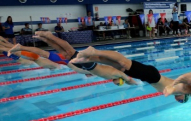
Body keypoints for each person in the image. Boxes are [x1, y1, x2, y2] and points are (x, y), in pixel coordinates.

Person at [8, 31, 136, 85]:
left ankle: (45, 37)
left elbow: (95, 72)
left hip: (80, 65)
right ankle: (46, 37)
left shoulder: (111, 73)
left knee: (62, 51)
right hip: (81, 64)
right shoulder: (117, 74)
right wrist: (135, 83)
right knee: (66, 50)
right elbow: (129, 79)